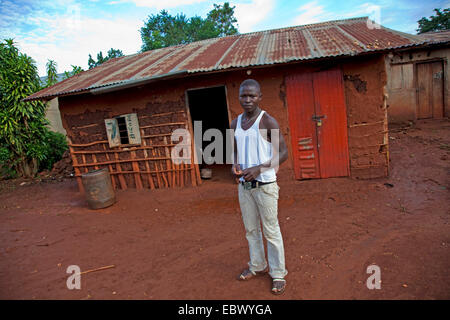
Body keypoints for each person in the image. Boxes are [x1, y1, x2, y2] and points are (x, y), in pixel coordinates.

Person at [230, 79, 289, 295]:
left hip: (265, 185)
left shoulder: (267, 122)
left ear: (259, 97)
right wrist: (235, 164)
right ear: (239, 97)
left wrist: (259, 168)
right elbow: (235, 149)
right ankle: (257, 265)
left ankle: (278, 273)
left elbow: (283, 153)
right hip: (245, 187)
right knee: (251, 230)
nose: (247, 100)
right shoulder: (234, 123)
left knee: (271, 231)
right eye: (243, 96)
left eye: (252, 96)